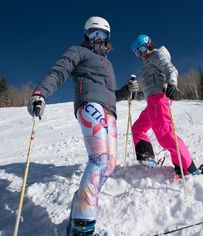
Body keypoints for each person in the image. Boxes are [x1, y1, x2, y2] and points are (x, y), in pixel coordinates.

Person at [27, 16, 135, 236]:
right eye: (93, 33)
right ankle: (82, 228)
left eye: (102, 35)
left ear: (107, 38)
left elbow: (112, 95)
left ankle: (79, 211)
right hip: (89, 104)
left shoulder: (108, 64)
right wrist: (40, 93)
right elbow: (59, 72)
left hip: (110, 111)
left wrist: (130, 90)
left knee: (110, 164)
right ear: (86, 35)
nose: (98, 38)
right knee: (100, 159)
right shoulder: (78, 51)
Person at [129, 34, 201, 177]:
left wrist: (172, 84)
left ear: (149, 44)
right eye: (137, 52)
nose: (141, 54)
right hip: (152, 102)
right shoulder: (146, 66)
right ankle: (146, 158)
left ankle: (187, 169)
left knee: (165, 134)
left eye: (142, 49)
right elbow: (149, 90)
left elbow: (171, 69)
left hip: (159, 100)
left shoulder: (157, 55)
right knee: (138, 128)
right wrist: (133, 94)